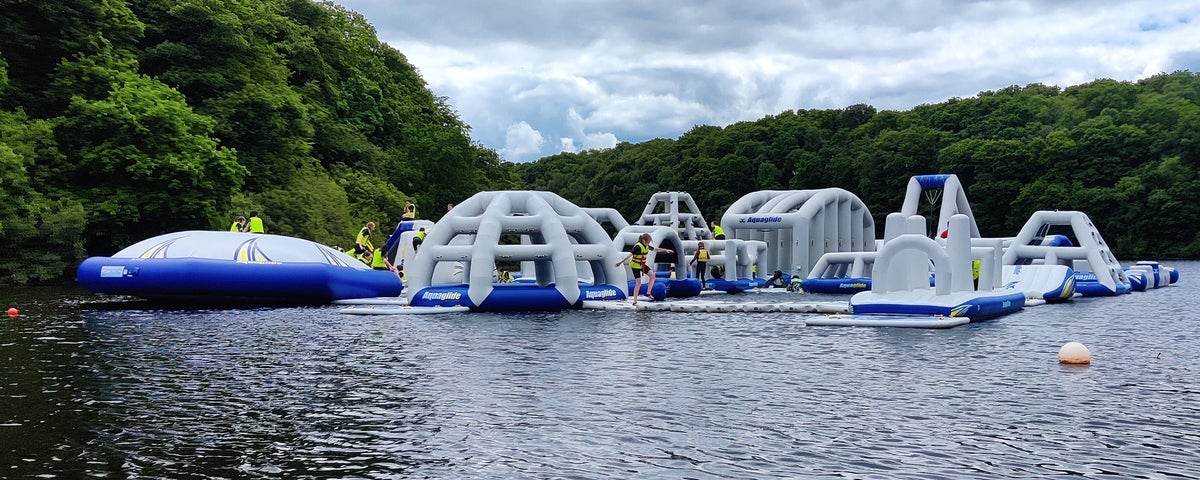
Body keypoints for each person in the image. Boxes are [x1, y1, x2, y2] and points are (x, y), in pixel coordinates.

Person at [615, 233, 673, 305]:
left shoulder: (646, 246)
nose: (648, 243)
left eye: (649, 242)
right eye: (647, 242)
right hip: (635, 266)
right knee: (638, 283)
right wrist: (621, 262)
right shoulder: (638, 247)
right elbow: (630, 254)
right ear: (643, 240)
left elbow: (655, 249)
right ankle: (635, 301)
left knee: (652, 276)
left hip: (642, 265)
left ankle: (648, 293)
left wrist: (665, 250)